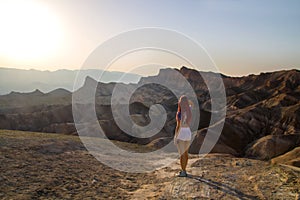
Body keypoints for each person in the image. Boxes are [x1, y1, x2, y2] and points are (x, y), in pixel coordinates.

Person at [174, 95, 192, 177]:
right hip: (188, 132)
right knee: (186, 153)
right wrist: (187, 102)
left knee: (181, 154)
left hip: (181, 133)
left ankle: (183, 171)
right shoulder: (189, 110)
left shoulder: (179, 113)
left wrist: (176, 136)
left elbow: (178, 125)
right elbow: (192, 104)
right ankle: (185, 170)